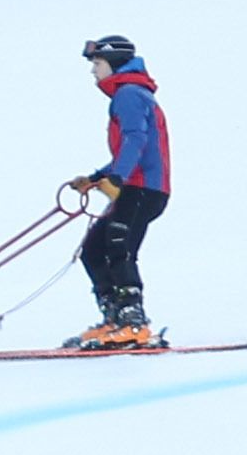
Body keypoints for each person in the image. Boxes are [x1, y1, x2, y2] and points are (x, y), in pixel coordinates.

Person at [68, 35, 171, 349]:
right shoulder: (130, 94)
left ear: (113, 64)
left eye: (97, 64)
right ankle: (115, 317)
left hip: (143, 188)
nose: (93, 71)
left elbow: (136, 141)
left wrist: (117, 178)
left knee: (118, 244)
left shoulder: (128, 94)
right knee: (94, 249)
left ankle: (133, 321)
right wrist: (97, 178)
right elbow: (131, 147)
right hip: (134, 186)